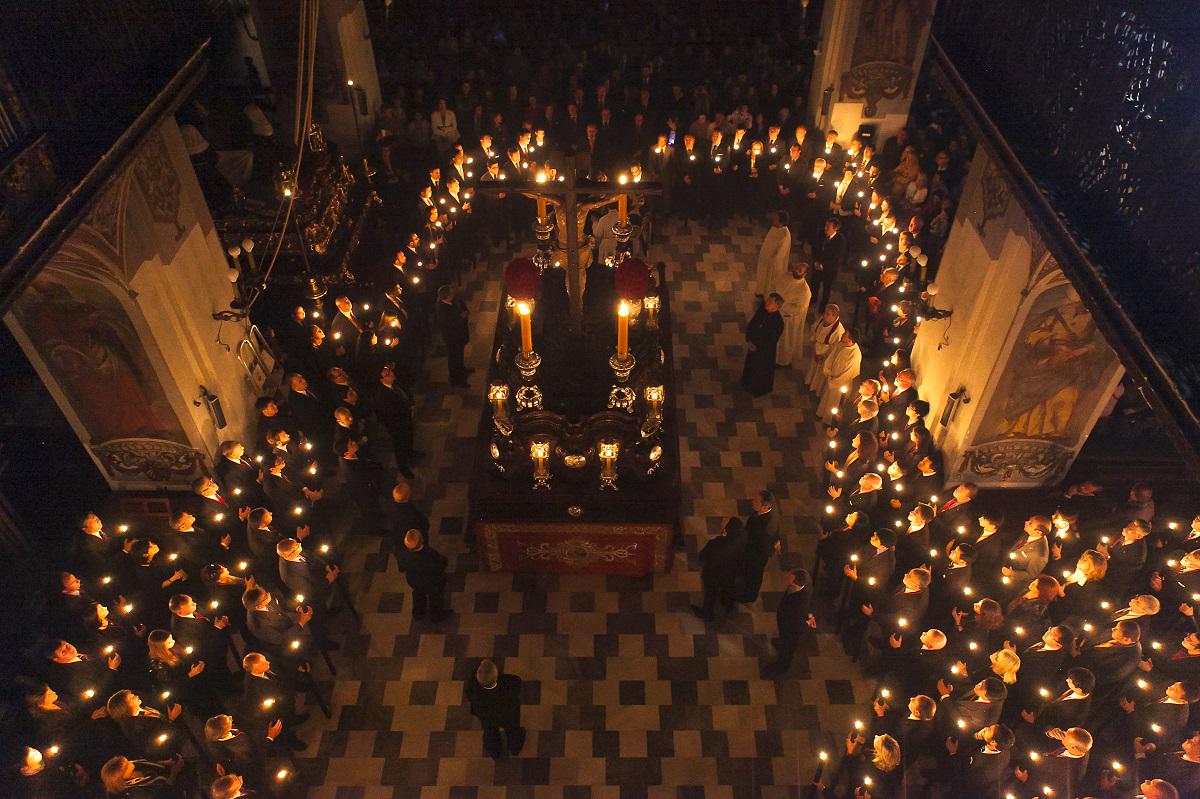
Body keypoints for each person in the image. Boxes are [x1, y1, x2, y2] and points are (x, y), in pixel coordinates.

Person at [465, 659, 525, 759]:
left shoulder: (472, 686)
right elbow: (517, 683)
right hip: (507, 714)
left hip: (486, 715)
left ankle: (494, 753)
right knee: (513, 730)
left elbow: (469, 694)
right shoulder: (508, 682)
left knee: (490, 732)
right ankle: (515, 748)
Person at [691, 517, 747, 621]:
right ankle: (728, 605)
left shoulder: (716, 543)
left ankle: (707, 613)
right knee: (728, 588)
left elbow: (702, 557)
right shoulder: (744, 542)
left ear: (726, 531)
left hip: (714, 574)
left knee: (710, 592)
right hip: (731, 574)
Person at [765, 569, 816, 675]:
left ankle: (782, 666)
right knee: (784, 641)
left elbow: (799, 623)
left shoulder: (800, 604)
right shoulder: (806, 582)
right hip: (787, 623)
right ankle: (781, 642)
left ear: (796, 584)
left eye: (790, 579)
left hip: (791, 630)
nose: (787, 579)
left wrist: (808, 620)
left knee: (787, 649)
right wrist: (810, 616)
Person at [394, 528, 451, 622]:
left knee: (418, 595)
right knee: (435, 597)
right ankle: (436, 616)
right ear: (421, 540)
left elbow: (402, 567)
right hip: (432, 581)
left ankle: (418, 614)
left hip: (415, 581)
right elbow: (441, 563)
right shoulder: (429, 553)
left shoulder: (404, 555)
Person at [740, 293, 785, 397]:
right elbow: (752, 324)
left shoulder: (778, 322)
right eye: (767, 300)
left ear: (777, 306)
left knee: (761, 371)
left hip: (764, 352)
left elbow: (771, 340)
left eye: (770, 302)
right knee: (750, 366)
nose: (766, 302)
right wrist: (749, 340)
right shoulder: (762, 310)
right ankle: (746, 383)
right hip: (753, 345)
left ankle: (758, 389)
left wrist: (758, 346)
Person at [820, 330, 863, 423]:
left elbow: (848, 373)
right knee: (826, 398)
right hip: (832, 375)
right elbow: (832, 356)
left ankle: (829, 421)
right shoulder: (841, 344)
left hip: (840, 382)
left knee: (834, 402)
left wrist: (834, 381)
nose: (842, 334)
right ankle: (822, 413)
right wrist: (828, 370)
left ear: (850, 339)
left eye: (845, 334)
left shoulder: (855, 354)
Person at [776, 262, 812, 366]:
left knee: (785, 341)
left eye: (799, 270)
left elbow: (799, 309)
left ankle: (783, 361)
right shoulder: (786, 276)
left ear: (805, 274)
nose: (796, 271)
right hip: (775, 312)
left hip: (788, 319)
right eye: (796, 268)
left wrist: (782, 305)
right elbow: (775, 285)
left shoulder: (805, 291)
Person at [436, 284, 471, 387]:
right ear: (447, 296)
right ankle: (456, 380)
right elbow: (451, 324)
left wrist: (465, 313)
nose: (454, 294)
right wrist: (461, 317)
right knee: (454, 358)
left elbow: (462, 306)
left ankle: (462, 369)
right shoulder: (442, 309)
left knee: (460, 355)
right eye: (452, 293)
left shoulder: (454, 300)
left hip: (460, 334)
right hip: (453, 338)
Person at [810, 218, 847, 311]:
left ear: (835, 228)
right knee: (814, 284)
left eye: (828, 227)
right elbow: (815, 247)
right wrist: (816, 261)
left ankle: (823, 305)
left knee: (827, 288)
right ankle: (813, 299)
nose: (825, 228)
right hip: (817, 265)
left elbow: (835, 256)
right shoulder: (821, 233)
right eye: (825, 225)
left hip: (829, 269)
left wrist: (822, 265)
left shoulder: (840, 240)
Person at [755, 211, 792, 297]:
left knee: (769, 281)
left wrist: (771, 263)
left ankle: (767, 297)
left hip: (772, 265)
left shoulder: (785, 235)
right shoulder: (774, 227)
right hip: (765, 260)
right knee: (762, 276)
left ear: (781, 222)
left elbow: (780, 254)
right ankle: (761, 291)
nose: (773, 219)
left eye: (776, 219)